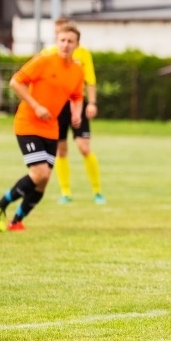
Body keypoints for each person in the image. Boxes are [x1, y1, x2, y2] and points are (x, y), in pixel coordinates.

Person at [0, 23, 85, 232]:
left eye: (70, 41)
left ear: (77, 44)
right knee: (40, 173)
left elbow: (77, 96)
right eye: (62, 40)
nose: (65, 45)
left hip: (51, 129)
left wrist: (77, 113)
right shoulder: (44, 60)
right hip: (28, 124)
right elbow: (16, 82)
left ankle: (16, 222)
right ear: (56, 41)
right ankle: (0, 204)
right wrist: (36, 105)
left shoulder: (77, 70)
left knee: (43, 181)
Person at [43, 17, 105, 205]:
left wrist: (92, 103)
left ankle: (97, 192)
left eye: (68, 38)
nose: (64, 42)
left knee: (84, 147)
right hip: (57, 108)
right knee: (61, 151)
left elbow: (90, 79)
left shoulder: (83, 54)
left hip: (78, 105)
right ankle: (66, 193)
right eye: (59, 36)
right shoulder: (47, 54)